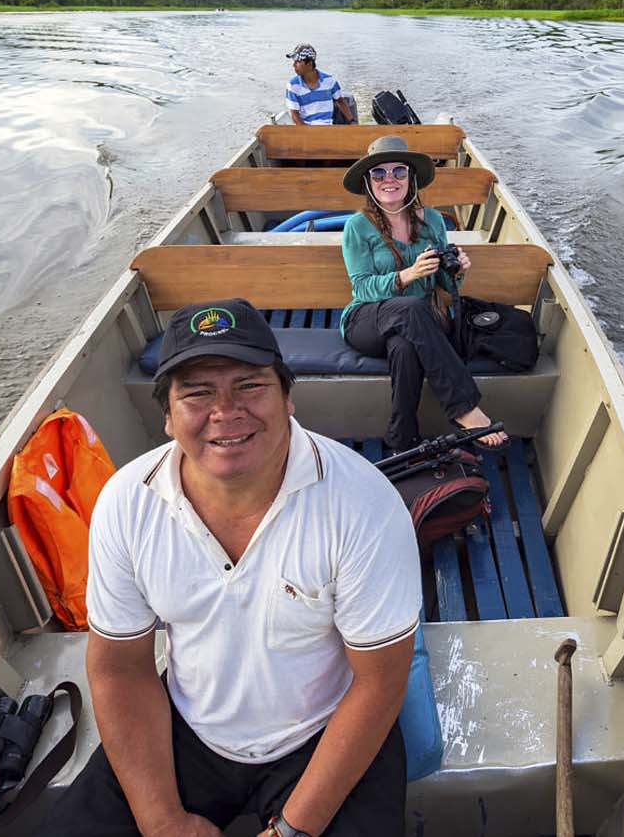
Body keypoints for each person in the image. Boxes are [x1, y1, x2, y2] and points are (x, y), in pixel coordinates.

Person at [36, 298, 421, 837]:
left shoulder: (362, 504)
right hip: (188, 726)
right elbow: (120, 667)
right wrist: (162, 821)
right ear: (167, 416)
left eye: (250, 386)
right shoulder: (128, 502)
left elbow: (379, 682)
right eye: (196, 392)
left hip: (325, 727)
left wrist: (290, 830)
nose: (226, 411)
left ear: (288, 396)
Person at [338, 136, 509, 452]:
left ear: (411, 177)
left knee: (405, 346)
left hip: (418, 323)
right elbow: (360, 287)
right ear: (368, 182)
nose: (389, 179)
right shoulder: (357, 227)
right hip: (367, 319)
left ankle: (402, 439)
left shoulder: (431, 220)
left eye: (399, 172)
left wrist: (457, 270)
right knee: (412, 309)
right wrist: (408, 275)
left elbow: (445, 285)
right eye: (379, 173)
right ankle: (463, 407)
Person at [285, 44, 354, 126]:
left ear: (309, 64)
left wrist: (352, 121)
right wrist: (307, 133)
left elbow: (340, 101)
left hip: (328, 128)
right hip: (306, 128)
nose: (293, 65)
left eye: (298, 62)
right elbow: (294, 114)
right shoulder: (293, 86)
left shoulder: (329, 81)